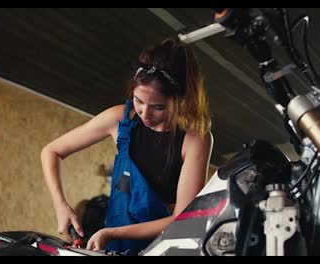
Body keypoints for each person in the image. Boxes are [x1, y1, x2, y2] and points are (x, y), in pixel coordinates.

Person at [41, 38, 213, 254]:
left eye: (158, 107)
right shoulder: (119, 120)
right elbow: (51, 151)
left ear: (181, 99)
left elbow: (181, 218)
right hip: (115, 245)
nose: (145, 114)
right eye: (138, 101)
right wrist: (61, 206)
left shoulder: (195, 138)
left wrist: (113, 233)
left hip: (163, 248)